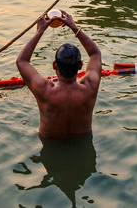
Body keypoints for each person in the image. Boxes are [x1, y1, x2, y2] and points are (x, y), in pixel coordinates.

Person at [16, 10, 102, 140]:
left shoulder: (43, 89)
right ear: (80, 66)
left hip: (50, 143)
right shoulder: (90, 86)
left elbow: (21, 61)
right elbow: (95, 54)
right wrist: (74, 27)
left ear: (54, 65)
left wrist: (40, 31)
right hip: (81, 142)